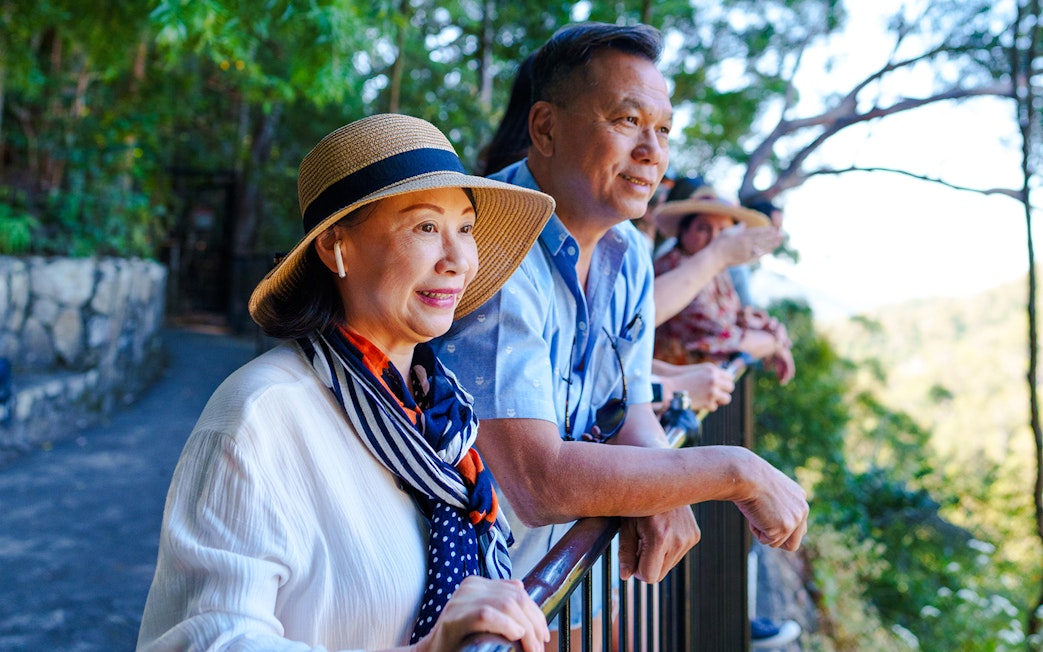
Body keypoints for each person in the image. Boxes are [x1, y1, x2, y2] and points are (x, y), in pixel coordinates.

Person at [136, 114, 557, 652]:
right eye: (426, 227)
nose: (457, 260)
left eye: (466, 229)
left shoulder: (441, 413)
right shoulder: (261, 416)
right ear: (335, 247)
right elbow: (208, 639)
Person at [431, 19, 807, 607]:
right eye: (628, 120)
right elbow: (536, 481)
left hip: (566, 572)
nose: (652, 151)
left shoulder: (627, 248)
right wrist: (737, 470)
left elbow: (631, 411)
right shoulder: (493, 247)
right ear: (546, 128)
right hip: (469, 590)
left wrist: (660, 485)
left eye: (663, 129)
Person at [653, 185, 796, 385]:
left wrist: (765, 326)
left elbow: (736, 316)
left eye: (723, 231)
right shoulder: (677, 271)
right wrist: (776, 343)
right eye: (703, 228)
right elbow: (725, 337)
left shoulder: (717, 270)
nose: (714, 238)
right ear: (683, 231)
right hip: (669, 392)